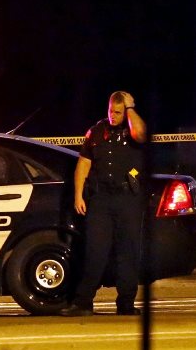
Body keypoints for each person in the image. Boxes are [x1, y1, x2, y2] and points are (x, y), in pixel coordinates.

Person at [59, 90, 148, 316]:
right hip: (101, 200)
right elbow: (83, 164)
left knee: (127, 252)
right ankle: (83, 302)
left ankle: (126, 303)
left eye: (118, 112)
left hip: (128, 198)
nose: (113, 116)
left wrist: (130, 108)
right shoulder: (96, 132)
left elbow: (140, 133)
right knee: (94, 251)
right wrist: (78, 194)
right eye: (111, 111)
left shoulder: (132, 129)